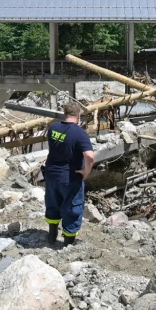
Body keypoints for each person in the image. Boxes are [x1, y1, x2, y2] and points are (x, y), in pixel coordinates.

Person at [43, 101, 95, 246]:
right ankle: (68, 243)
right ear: (78, 116)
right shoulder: (80, 133)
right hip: (70, 177)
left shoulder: (53, 128)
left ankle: (52, 235)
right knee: (72, 208)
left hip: (51, 174)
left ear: (64, 114)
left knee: (53, 203)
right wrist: (86, 171)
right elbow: (90, 156)